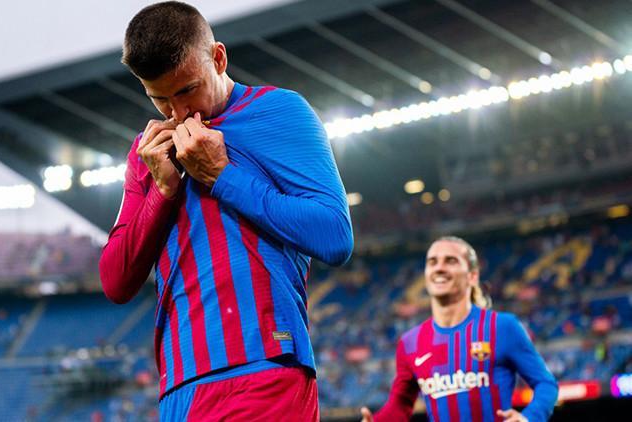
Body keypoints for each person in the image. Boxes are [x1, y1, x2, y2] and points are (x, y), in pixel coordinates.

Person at [98, 2, 353, 420]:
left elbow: (335, 234)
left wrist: (222, 176)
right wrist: (162, 190)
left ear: (218, 58)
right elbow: (115, 281)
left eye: (187, 90)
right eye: (160, 99)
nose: (179, 113)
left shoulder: (278, 112)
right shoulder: (148, 152)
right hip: (180, 388)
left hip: (264, 369)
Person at [361, 236, 558, 422]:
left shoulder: (502, 327)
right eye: (432, 262)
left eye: (451, 261)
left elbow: (546, 384)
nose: (439, 268)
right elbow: (400, 404)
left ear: (472, 276)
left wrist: (529, 417)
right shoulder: (410, 343)